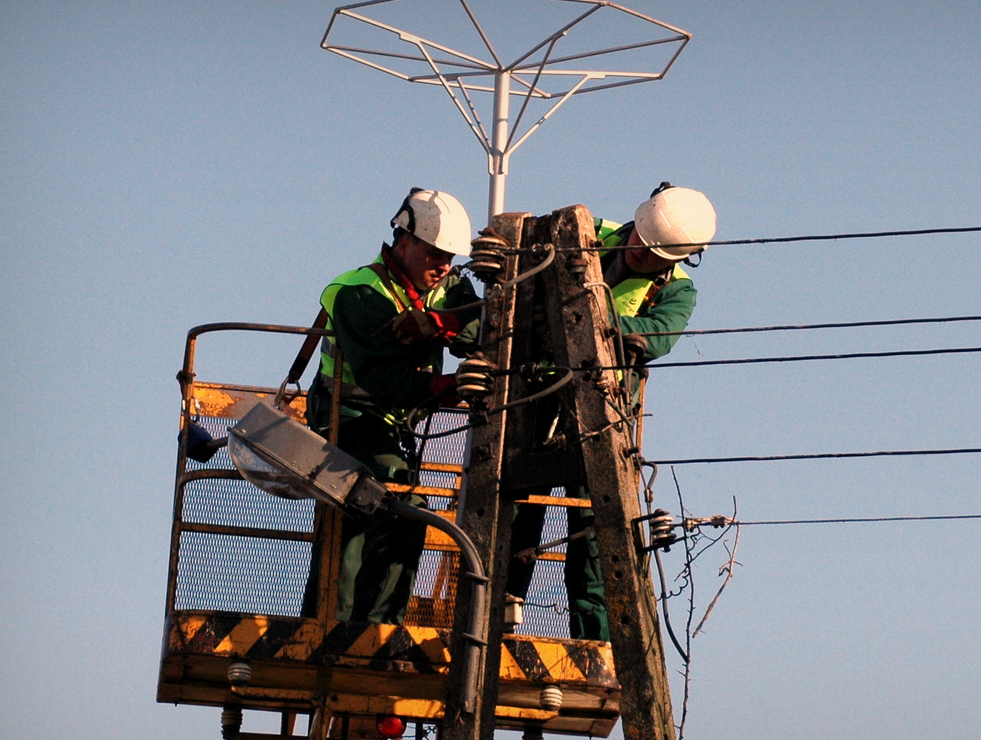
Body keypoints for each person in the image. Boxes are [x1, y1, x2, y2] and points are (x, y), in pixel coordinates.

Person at [504, 183, 716, 640]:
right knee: (518, 509)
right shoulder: (583, 233)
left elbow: (657, 335)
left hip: (603, 415)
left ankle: (594, 641)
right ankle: (501, 606)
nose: (641, 252)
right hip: (535, 394)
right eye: (641, 239)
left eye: (655, 253)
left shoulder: (676, 291)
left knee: (595, 536)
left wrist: (582, 318)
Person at [303, 187, 480, 624]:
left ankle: (380, 627)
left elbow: (488, 329)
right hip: (348, 420)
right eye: (435, 253)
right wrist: (449, 384)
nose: (444, 265)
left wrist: (446, 322)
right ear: (403, 243)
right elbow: (380, 379)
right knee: (376, 503)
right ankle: (334, 624)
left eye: (450, 256)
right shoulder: (357, 292)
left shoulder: (450, 287)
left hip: (395, 427)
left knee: (402, 510)